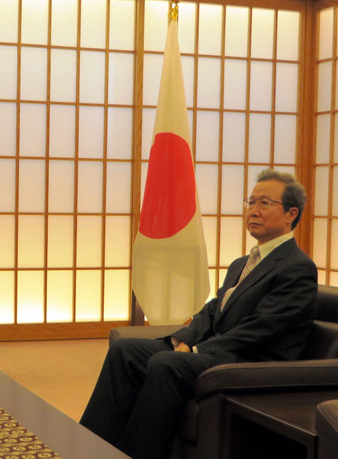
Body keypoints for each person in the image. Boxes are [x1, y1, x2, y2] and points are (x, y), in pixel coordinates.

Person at [79, 169, 318, 459]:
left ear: (291, 213)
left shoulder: (297, 267)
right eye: (250, 202)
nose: (253, 210)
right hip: (219, 351)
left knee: (168, 364)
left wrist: (196, 349)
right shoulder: (242, 262)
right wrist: (185, 337)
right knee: (125, 350)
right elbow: (213, 309)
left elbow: (262, 328)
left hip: (250, 361)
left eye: (264, 203)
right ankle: (85, 447)